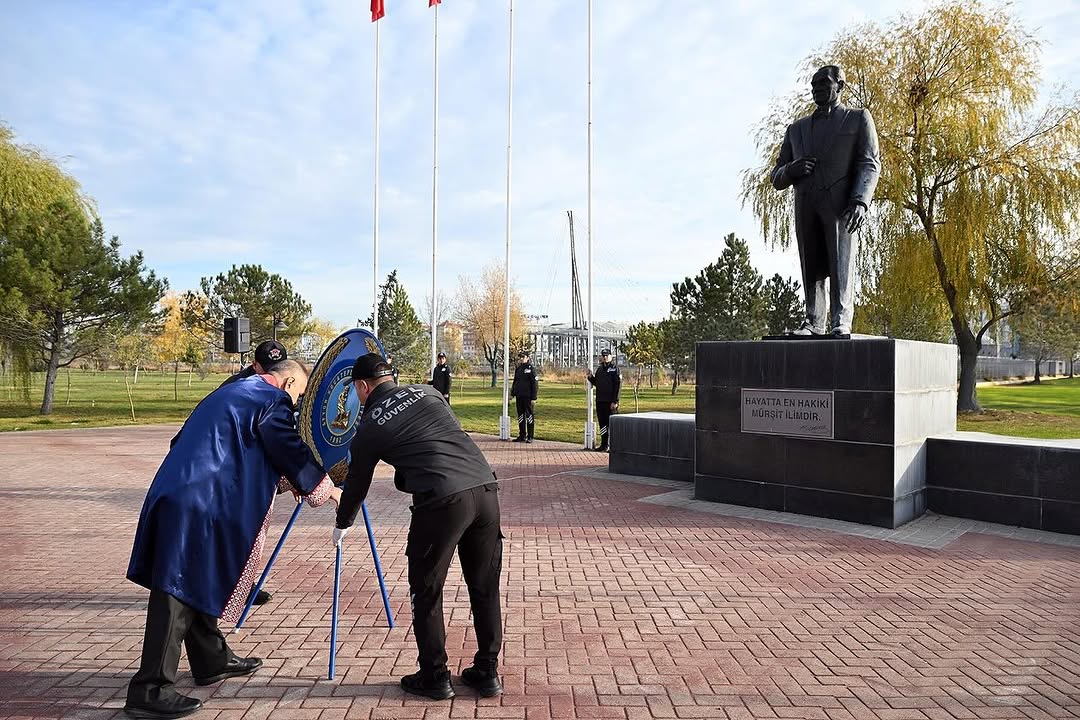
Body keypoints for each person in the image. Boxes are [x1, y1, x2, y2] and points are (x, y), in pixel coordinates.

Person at [125, 359, 340, 720]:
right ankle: (150, 689)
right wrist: (326, 489)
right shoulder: (271, 400)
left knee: (199, 579)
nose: (297, 404)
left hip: (182, 492)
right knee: (176, 592)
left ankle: (211, 659)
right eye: (299, 395)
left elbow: (226, 443)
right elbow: (285, 446)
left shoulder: (231, 392)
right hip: (199, 503)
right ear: (287, 383)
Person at [334, 354, 504, 701]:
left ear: (363, 386)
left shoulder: (371, 423)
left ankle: (435, 676)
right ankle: (487, 672)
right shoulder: (428, 392)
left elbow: (357, 483)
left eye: (355, 391)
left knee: (426, 591)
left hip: (441, 501)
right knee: (484, 587)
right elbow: (437, 439)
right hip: (485, 490)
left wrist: (343, 522)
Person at [770, 64, 881, 336]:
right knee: (812, 265)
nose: (816, 89)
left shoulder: (857, 119)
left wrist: (860, 201)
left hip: (841, 206)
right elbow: (776, 176)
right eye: (813, 86)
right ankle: (813, 321)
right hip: (806, 204)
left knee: (841, 263)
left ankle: (840, 320)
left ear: (840, 86)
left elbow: (869, 163)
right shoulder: (796, 130)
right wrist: (791, 170)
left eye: (823, 84)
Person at [585, 349, 621, 452]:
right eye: (603, 355)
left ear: (611, 356)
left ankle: (613, 445)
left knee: (612, 425)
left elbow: (618, 386)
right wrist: (590, 377)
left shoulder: (615, 369)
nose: (605, 357)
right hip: (600, 401)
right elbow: (597, 383)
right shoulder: (600, 370)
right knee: (603, 424)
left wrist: (615, 401)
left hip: (611, 402)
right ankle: (604, 444)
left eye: (607, 355)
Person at [220, 339, 288, 387]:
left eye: (279, 370)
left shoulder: (291, 383)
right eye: (268, 371)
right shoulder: (235, 385)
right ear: (254, 365)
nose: (274, 375)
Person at [510, 350, 537, 443]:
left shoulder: (531, 369)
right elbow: (515, 382)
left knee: (529, 416)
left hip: (528, 396)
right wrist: (512, 393)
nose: (521, 359)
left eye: (523, 357)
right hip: (519, 396)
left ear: (527, 358)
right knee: (521, 416)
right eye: (520, 357)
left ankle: (530, 436)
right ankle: (522, 435)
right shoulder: (519, 369)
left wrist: (534, 397)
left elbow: (534, 384)